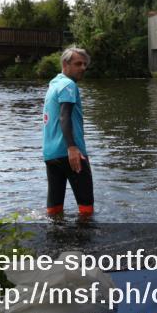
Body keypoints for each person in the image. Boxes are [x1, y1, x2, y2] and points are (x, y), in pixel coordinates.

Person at [41, 47, 94, 216]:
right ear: (65, 64)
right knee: (86, 209)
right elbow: (65, 117)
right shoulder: (69, 85)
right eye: (78, 64)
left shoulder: (54, 84)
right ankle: (86, 240)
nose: (83, 68)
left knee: (54, 208)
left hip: (51, 155)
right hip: (71, 153)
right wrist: (72, 148)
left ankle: (56, 239)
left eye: (85, 64)